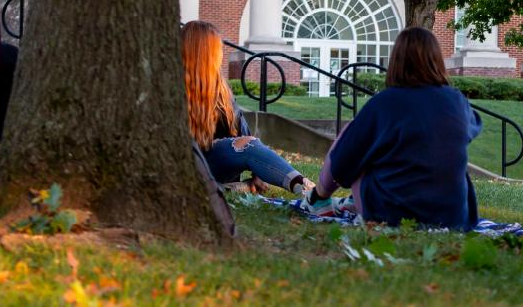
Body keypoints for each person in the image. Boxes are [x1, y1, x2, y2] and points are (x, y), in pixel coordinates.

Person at [307, 26, 483, 231]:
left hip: (391, 215)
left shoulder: (384, 103)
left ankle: (318, 199)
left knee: (355, 135)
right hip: (453, 218)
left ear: (396, 60)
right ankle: (352, 201)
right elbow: (472, 126)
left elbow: (344, 161)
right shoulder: (457, 101)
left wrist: (323, 190)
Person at [183, 20, 307, 194]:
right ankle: (226, 189)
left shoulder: (221, 90)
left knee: (248, 145)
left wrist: (257, 169)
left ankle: (310, 191)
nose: (221, 55)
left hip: (216, 164)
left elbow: (243, 135)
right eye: (217, 50)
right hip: (185, 166)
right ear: (206, 54)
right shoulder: (171, 90)